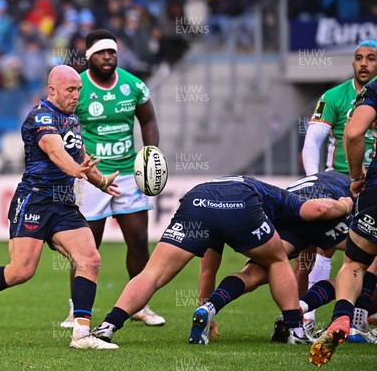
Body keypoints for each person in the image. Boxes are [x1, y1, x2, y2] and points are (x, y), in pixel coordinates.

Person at [0, 65, 120, 350]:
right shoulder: (40, 116)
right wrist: (76, 170)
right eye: (70, 90)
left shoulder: (73, 119)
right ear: (52, 90)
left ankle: (81, 334)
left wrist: (100, 181)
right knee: (21, 271)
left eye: (79, 89)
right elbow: (55, 151)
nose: (76, 95)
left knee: (90, 259)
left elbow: (79, 155)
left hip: (64, 203)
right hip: (35, 200)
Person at [88, 175, 352, 347]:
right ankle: (295, 329)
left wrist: (206, 308)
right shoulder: (280, 196)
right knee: (277, 261)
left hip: (196, 200)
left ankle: (107, 326)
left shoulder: (217, 185)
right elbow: (318, 209)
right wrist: (344, 206)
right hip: (241, 203)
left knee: (153, 273)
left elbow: (208, 268)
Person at [60, 29, 163, 328]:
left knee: (139, 240)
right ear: (89, 56)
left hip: (129, 174)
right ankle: (75, 309)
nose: (108, 57)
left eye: (112, 52)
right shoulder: (76, 87)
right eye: (102, 52)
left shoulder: (133, 85)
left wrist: (151, 152)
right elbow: (65, 127)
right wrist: (77, 165)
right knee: (87, 247)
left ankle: (140, 305)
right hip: (91, 176)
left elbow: (148, 119)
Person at [190, 172, 353, 345]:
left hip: (289, 212)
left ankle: (209, 307)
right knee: (358, 266)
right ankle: (343, 322)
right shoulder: (356, 187)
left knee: (255, 272)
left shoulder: (317, 179)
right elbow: (322, 212)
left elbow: (304, 261)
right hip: (325, 213)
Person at [300, 40, 377, 332]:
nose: (364, 64)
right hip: (340, 182)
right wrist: (314, 180)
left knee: (360, 257)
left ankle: (355, 319)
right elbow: (312, 142)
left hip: (371, 186)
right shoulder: (334, 96)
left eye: (371, 58)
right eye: (359, 58)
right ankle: (305, 320)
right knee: (322, 247)